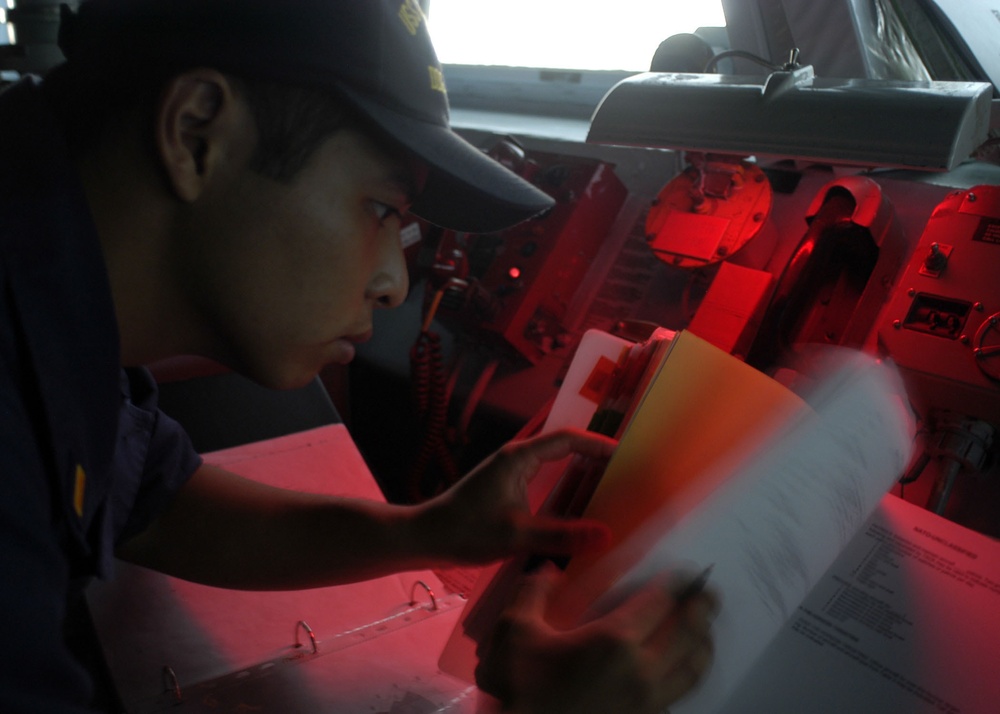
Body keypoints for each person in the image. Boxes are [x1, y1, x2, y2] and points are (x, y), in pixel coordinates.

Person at [0, 1, 716, 712]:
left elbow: (156, 504)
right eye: (382, 209)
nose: (394, 283)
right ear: (195, 132)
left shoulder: (53, 302)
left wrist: (427, 530)